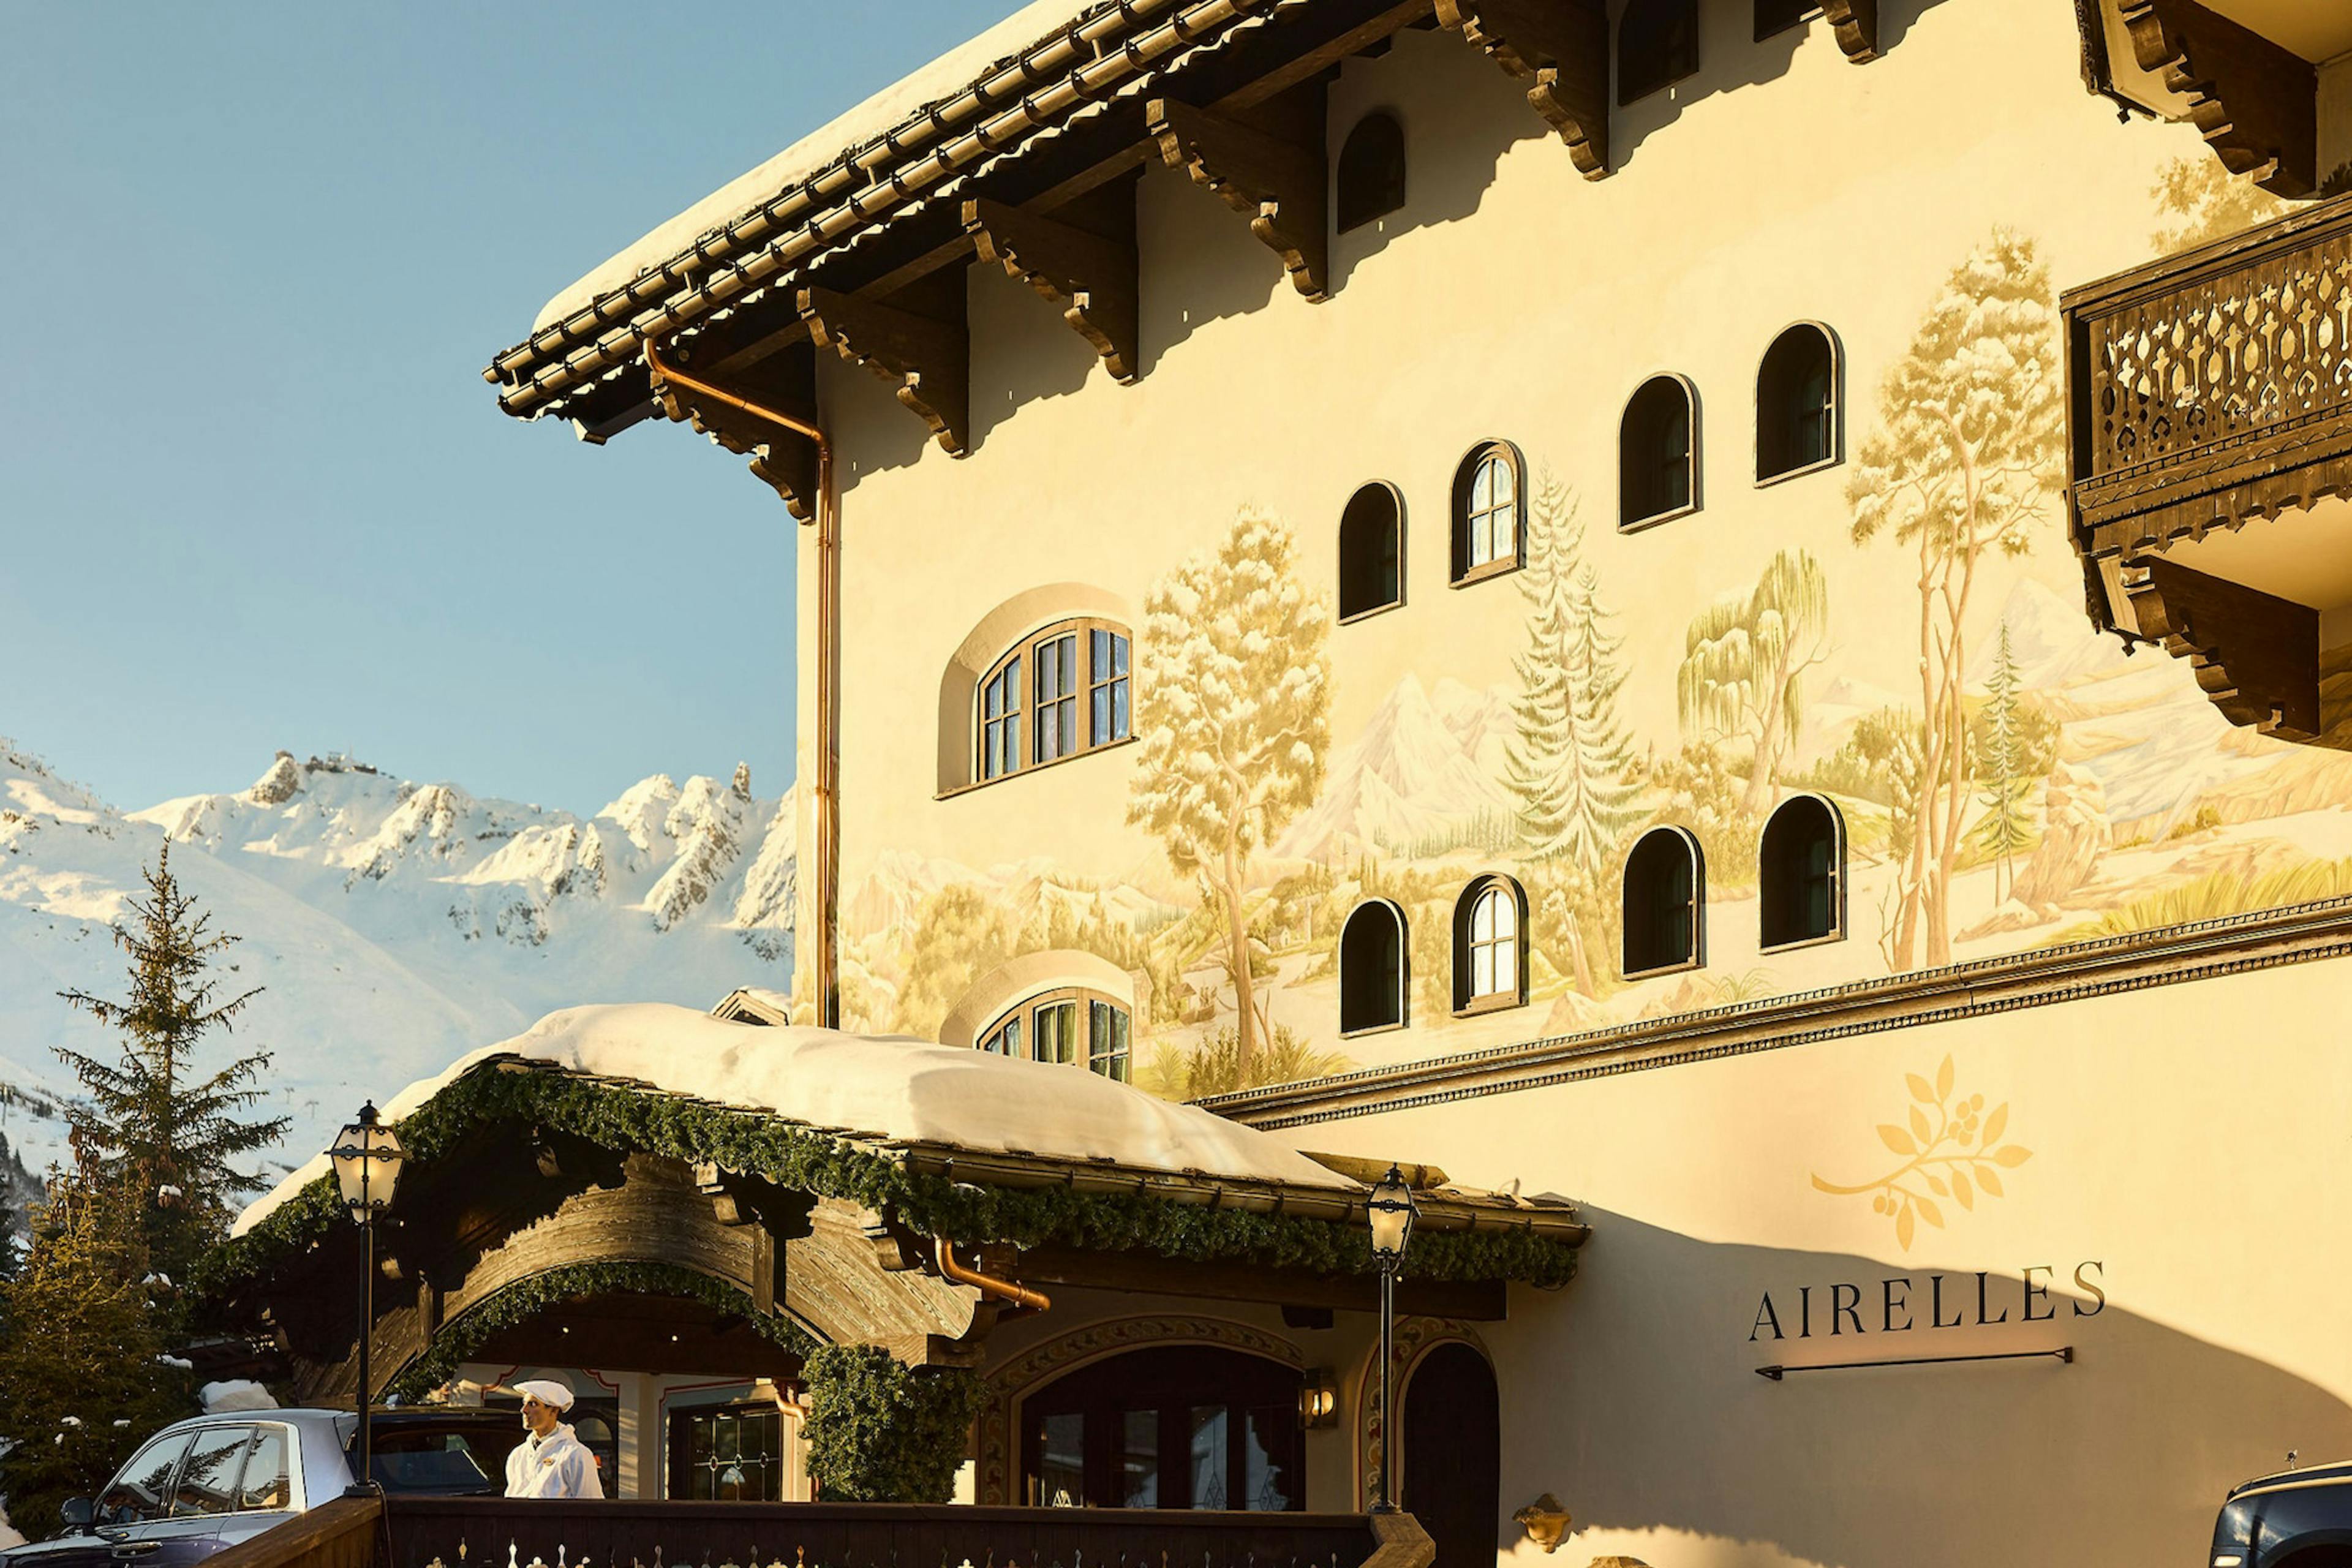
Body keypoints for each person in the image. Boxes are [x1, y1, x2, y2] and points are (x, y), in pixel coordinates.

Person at [502, 1379, 605, 1499]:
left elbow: (592, 1508)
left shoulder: (576, 1455)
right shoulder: (518, 1455)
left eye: (533, 1404)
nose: (524, 1410)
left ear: (554, 1410)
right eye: (524, 1404)